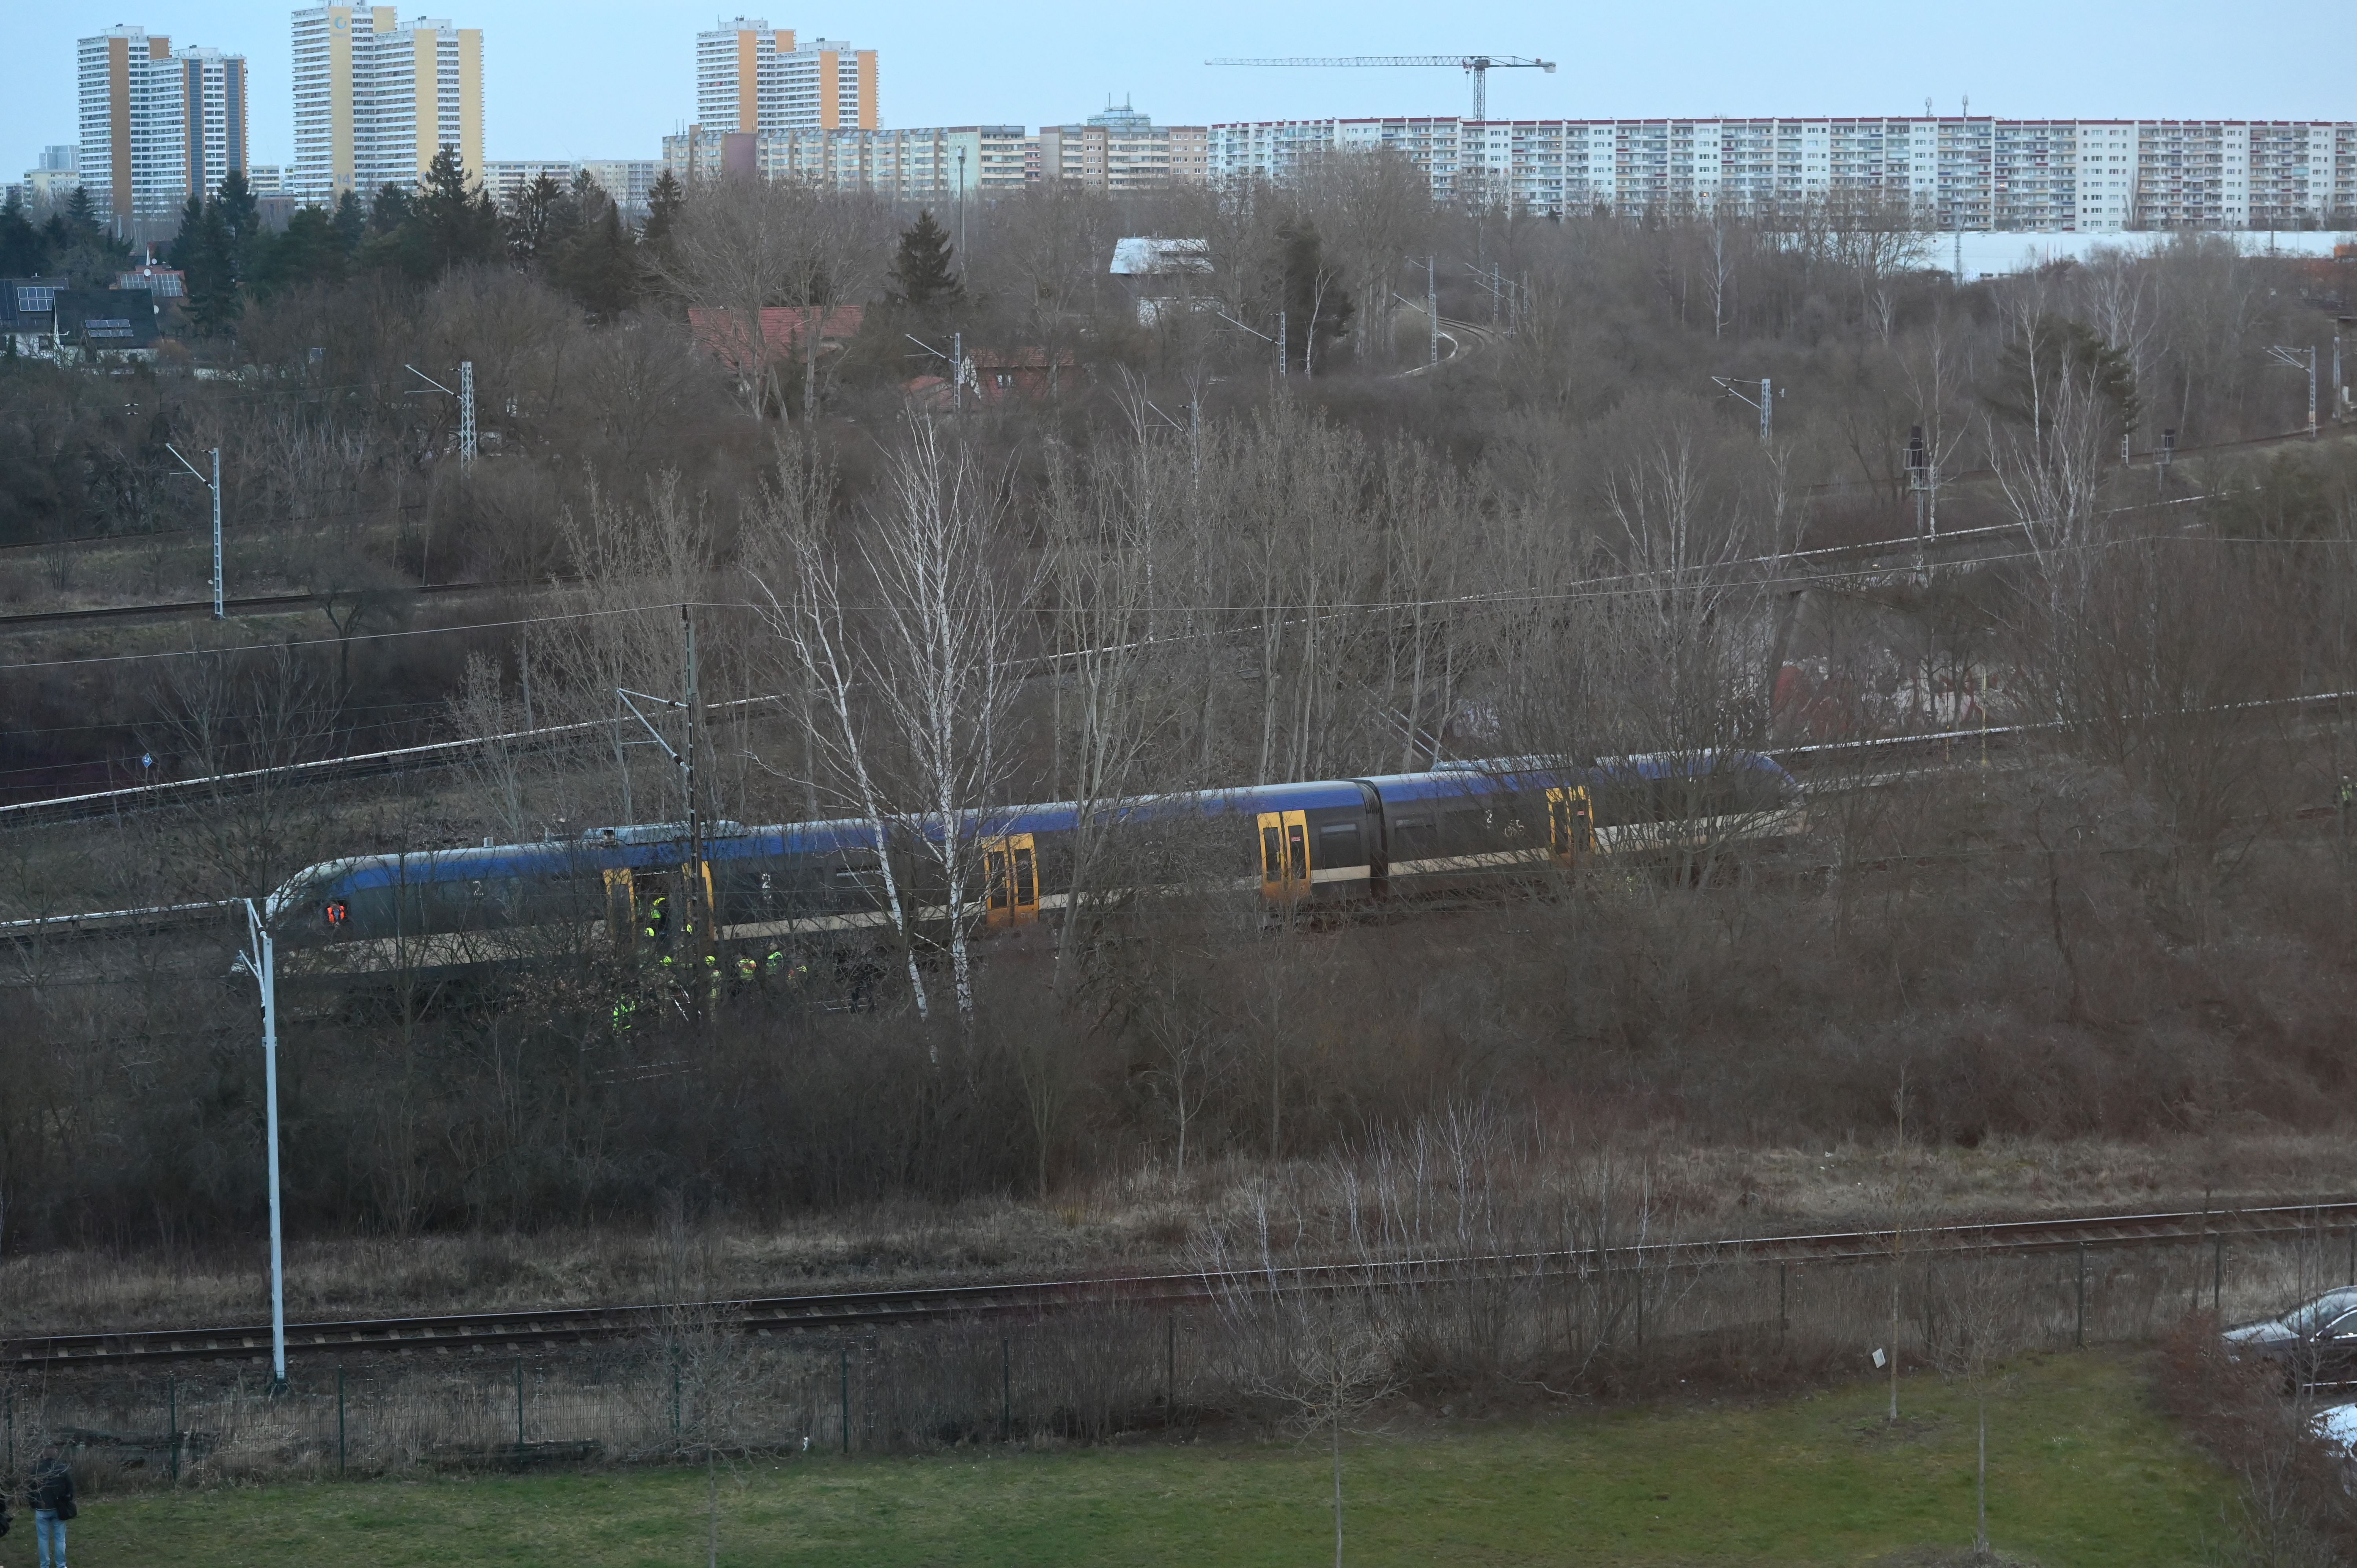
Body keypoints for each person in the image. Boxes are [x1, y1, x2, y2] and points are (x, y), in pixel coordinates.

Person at [29, 1442, 73, 1568]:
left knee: (43, 1539)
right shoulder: (61, 1468)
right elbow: (70, 1488)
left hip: (41, 1508)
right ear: (56, 1454)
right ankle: (61, 1565)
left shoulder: (36, 1470)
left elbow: (30, 1489)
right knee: (60, 1538)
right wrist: (66, 1500)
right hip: (58, 1508)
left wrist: (33, 1504)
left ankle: (45, 1565)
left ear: (43, 1454)